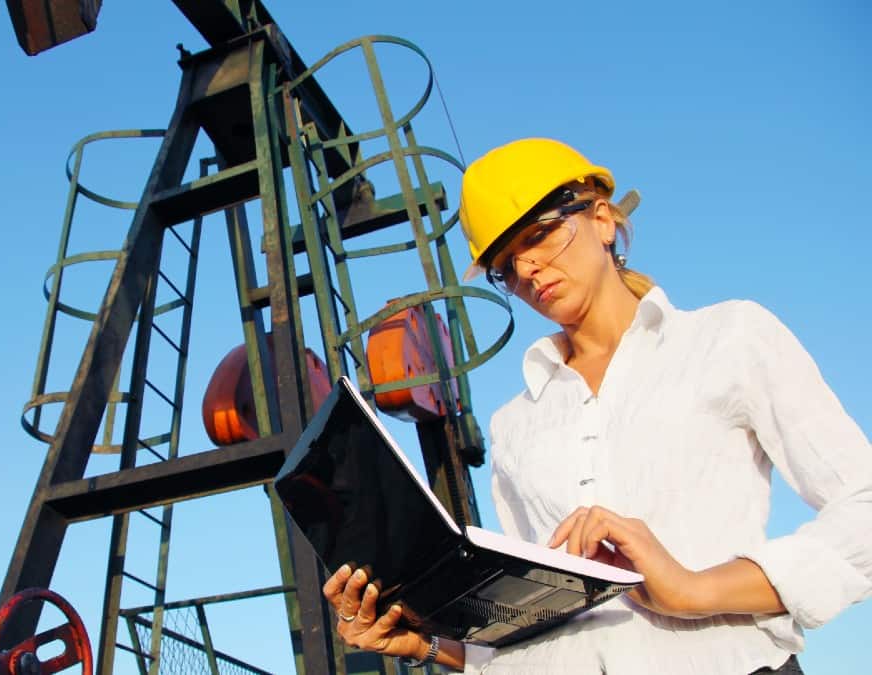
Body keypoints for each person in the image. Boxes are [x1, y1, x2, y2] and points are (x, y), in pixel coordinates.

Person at [322, 138, 871, 673]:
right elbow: (531, 635)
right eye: (506, 266)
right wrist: (424, 643)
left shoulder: (730, 338)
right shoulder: (516, 424)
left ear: (603, 219)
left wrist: (693, 589)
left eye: (540, 236)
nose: (528, 270)